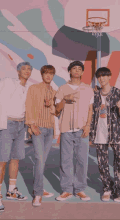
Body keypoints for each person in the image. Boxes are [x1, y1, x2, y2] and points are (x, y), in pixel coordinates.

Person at [90, 67, 120, 204]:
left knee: (119, 163)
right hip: (99, 133)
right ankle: (107, 189)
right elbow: (91, 114)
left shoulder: (117, 93)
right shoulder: (95, 94)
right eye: (99, 77)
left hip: (116, 133)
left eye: (105, 76)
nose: (102, 79)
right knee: (102, 163)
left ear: (109, 77)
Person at [55, 61, 93, 201]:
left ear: (82, 72)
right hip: (66, 129)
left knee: (82, 161)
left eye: (79, 69)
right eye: (74, 69)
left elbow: (90, 109)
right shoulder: (62, 88)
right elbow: (56, 110)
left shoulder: (88, 89)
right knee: (65, 160)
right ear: (69, 71)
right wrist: (65, 99)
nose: (76, 71)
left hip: (82, 129)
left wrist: (88, 125)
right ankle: (66, 190)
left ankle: (80, 189)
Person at [0, 62, 33, 212]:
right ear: (18, 71)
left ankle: (11, 190)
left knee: (15, 158)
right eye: (24, 69)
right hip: (8, 124)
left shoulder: (28, 89)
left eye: (29, 69)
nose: (27, 71)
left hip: (21, 126)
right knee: (2, 160)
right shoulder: (7, 82)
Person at [25, 65, 57, 207]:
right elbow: (29, 106)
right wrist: (32, 124)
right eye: (46, 73)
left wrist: (51, 106)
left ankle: (39, 187)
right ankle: (37, 194)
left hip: (49, 129)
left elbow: (56, 112)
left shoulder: (54, 91)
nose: (48, 76)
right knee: (39, 159)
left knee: (42, 161)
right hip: (38, 128)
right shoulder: (34, 88)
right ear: (42, 74)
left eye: (51, 74)